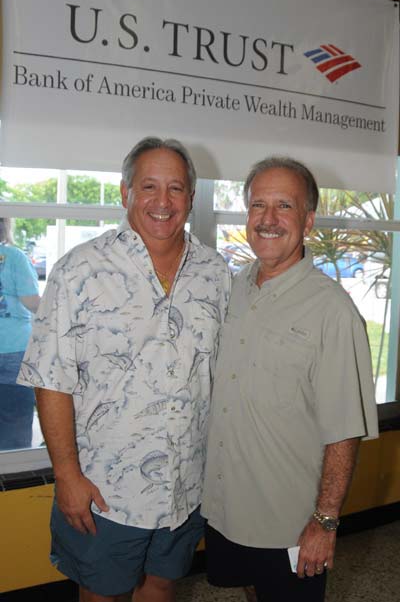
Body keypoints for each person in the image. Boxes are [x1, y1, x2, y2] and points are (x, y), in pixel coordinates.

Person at [17, 137, 231, 602]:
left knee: (161, 583)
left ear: (191, 199)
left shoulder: (217, 274)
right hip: (106, 489)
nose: (163, 201)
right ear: (124, 193)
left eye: (176, 189)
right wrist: (68, 476)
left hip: (186, 485)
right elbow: (50, 379)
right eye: (149, 186)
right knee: (102, 592)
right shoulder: (79, 271)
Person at [201, 157, 378, 602]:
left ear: (309, 220)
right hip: (227, 508)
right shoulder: (237, 286)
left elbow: (344, 431)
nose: (268, 219)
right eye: (258, 205)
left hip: (288, 522)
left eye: (284, 206)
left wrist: (325, 522)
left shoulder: (332, 312)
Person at [0, 217, 40, 450]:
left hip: (15, 351)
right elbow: (32, 302)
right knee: (14, 421)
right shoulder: (14, 257)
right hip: (15, 350)